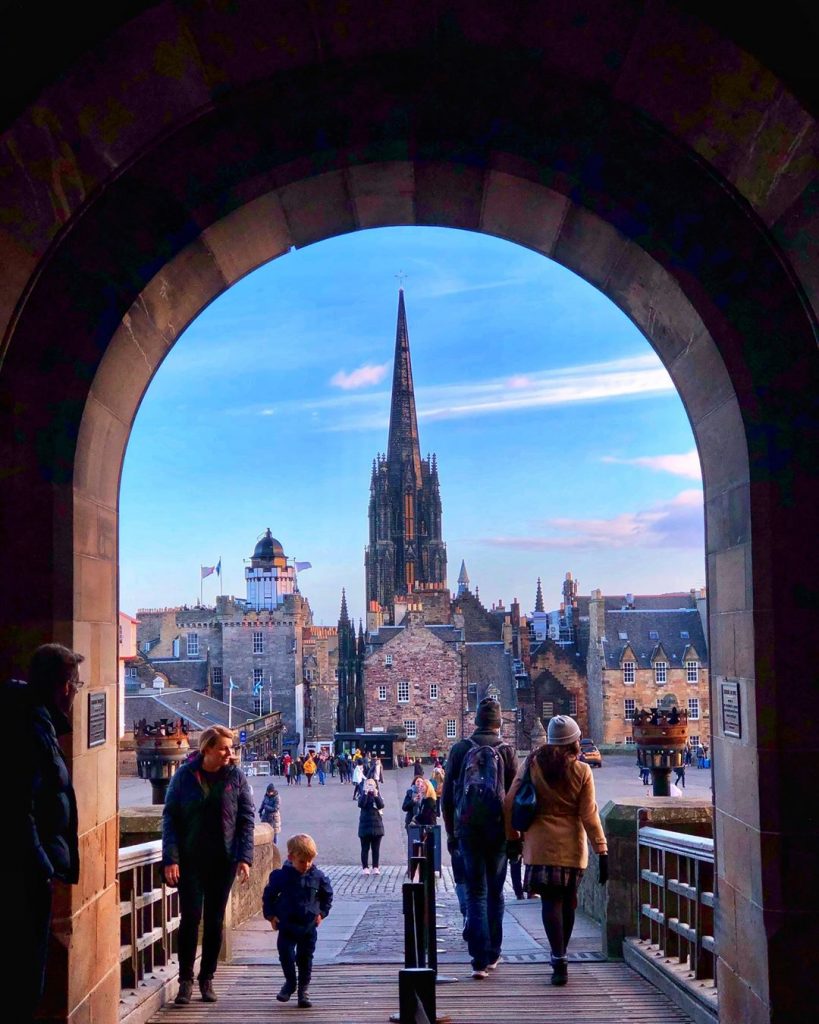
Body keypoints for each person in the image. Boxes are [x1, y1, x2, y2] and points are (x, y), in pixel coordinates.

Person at [504, 715, 608, 987]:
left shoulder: (532, 764)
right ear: (574, 741)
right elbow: (589, 814)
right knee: (569, 899)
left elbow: (509, 801)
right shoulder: (582, 771)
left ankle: (557, 955)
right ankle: (562, 955)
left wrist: (512, 836)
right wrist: (601, 847)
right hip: (571, 845)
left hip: (538, 844)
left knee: (549, 901)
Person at [9, 643, 83, 1023]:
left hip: (29, 869)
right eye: (76, 682)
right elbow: (17, 803)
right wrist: (40, 864)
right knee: (23, 983)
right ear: (64, 686)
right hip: (24, 875)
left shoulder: (33, 717)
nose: (76, 691)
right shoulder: (31, 725)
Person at [162, 725, 255, 1005]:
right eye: (224, 747)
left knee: (214, 921)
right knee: (190, 919)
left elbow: (246, 819)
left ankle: (207, 978)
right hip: (190, 861)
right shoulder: (183, 777)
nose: (230, 753)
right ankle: (185, 981)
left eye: (231, 748)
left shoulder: (235, 777)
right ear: (207, 749)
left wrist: (244, 857)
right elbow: (170, 819)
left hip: (223, 861)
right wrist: (171, 859)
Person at [442, 696, 518, 979]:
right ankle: (493, 953)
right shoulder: (507, 751)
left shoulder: (461, 749)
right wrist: (515, 837)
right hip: (498, 832)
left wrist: (451, 833)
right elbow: (515, 797)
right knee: (495, 893)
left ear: (476, 721)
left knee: (475, 892)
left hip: (468, 830)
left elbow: (447, 798)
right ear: (498, 723)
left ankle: (478, 960)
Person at [263, 833, 333, 1008]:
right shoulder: (281, 876)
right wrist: (271, 915)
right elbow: (268, 896)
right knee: (286, 955)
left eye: (309, 861)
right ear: (291, 858)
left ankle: (303, 990)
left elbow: (327, 895)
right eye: (302, 861)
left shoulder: (317, 876)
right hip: (287, 924)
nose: (306, 865)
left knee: (305, 958)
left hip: (308, 925)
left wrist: (322, 913)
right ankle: (290, 983)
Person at [357, 779, 385, 874]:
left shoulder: (377, 795)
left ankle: (375, 867)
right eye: (368, 785)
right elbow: (361, 804)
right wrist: (365, 792)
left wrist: (376, 795)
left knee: (376, 848)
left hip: (376, 825)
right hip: (365, 825)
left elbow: (381, 805)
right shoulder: (363, 795)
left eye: (372, 785)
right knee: (365, 848)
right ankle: (365, 867)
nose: (370, 787)